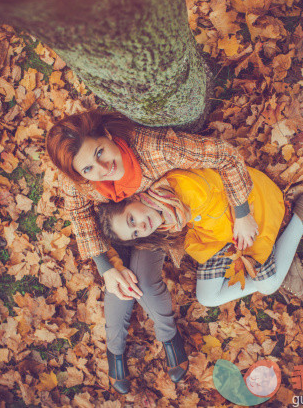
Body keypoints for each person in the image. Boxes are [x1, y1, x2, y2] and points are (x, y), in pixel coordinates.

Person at [46, 109, 258, 394]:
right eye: (88, 169)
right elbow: (78, 212)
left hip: (152, 215)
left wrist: (242, 212)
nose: (103, 168)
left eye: (100, 152)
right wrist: (105, 267)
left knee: (143, 281)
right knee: (118, 283)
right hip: (117, 224)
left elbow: (225, 155)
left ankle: (169, 338)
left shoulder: (155, 149)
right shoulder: (80, 179)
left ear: (108, 136)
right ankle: (115, 350)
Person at [97, 167, 303, 310]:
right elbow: (210, 237)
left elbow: (227, 229)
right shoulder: (162, 217)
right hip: (218, 238)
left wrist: (253, 264)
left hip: (249, 211)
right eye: (136, 233)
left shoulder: (184, 191)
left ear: (133, 198)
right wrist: (110, 266)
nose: (141, 226)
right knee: (207, 298)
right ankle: (282, 264)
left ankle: (302, 215)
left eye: (132, 220)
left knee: (269, 285)